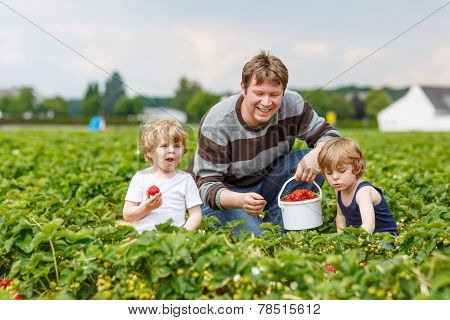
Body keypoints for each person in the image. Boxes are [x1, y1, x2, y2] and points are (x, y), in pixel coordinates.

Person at [188, 50, 340, 235]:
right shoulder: (219, 121)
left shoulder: (293, 104)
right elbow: (207, 185)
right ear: (243, 88)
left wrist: (318, 154)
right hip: (225, 193)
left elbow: (330, 135)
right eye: (258, 93)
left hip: (266, 180)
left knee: (321, 156)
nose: (266, 102)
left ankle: (277, 230)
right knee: (258, 239)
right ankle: (268, 233)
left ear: (283, 91)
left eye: (274, 94)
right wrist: (240, 201)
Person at [123, 120, 202, 233]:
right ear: (150, 152)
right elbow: (127, 215)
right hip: (144, 238)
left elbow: (196, 215)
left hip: (175, 237)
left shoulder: (186, 180)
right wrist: (147, 207)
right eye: (164, 146)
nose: (171, 150)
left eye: (176, 146)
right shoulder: (140, 177)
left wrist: (183, 234)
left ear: (183, 150)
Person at [317, 137, 398, 235]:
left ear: (357, 167)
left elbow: (369, 225)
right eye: (329, 173)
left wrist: (353, 243)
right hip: (361, 237)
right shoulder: (339, 190)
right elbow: (340, 216)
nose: (335, 177)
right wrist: (341, 238)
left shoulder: (363, 192)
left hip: (383, 237)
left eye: (342, 171)